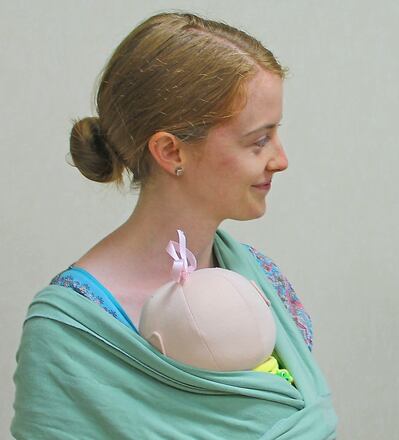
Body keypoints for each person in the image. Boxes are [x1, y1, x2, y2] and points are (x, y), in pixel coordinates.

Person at [12, 12, 337, 439]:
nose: (281, 159)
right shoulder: (69, 337)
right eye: (259, 140)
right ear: (171, 151)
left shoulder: (263, 280)